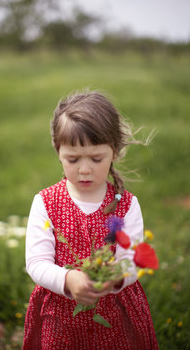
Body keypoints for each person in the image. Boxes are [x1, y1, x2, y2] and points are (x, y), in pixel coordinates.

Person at [22, 90, 158, 350]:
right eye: (72, 159)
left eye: (96, 159)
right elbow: (37, 262)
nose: (84, 169)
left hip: (114, 314)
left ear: (114, 153)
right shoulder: (46, 202)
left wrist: (115, 278)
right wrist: (67, 280)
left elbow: (132, 259)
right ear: (58, 152)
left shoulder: (126, 205)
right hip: (61, 316)